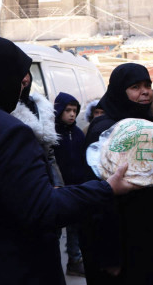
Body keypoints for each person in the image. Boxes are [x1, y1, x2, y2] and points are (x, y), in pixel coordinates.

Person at [0, 35, 137, 285]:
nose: (22, 86)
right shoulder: (6, 131)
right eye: (18, 77)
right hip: (11, 267)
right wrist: (106, 188)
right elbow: (41, 208)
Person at [79, 63, 153, 285]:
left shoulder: (146, 124)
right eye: (135, 87)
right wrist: (109, 255)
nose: (145, 91)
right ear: (119, 91)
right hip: (125, 240)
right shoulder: (104, 131)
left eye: (147, 85)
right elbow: (99, 199)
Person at [53, 92, 89, 277]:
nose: (72, 114)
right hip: (58, 190)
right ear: (59, 110)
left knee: (74, 228)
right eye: (68, 110)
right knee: (56, 230)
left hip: (76, 188)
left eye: (75, 110)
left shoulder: (77, 133)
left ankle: (74, 261)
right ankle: (52, 266)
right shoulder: (52, 134)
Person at [11, 71, 65, 188]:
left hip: (45, 181)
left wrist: (57, 184)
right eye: (21, 73)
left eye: (27, 73)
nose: (25, 79)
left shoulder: (40, 106)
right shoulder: (5, 108)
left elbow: (49, 154)